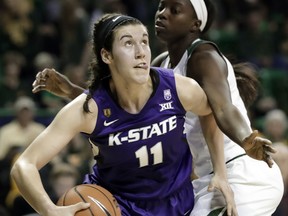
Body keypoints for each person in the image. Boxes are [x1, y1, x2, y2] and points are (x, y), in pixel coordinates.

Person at [31, 2, 283, 215]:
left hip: (238, 170)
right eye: (162, 6)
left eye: (175, 10)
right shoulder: (159, 66)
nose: (163, 13)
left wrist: (245, 138)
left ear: (195, 24)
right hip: (205, 180)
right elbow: (121, 110)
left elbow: (222, 109)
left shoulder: (203, 55)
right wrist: (73, 92)